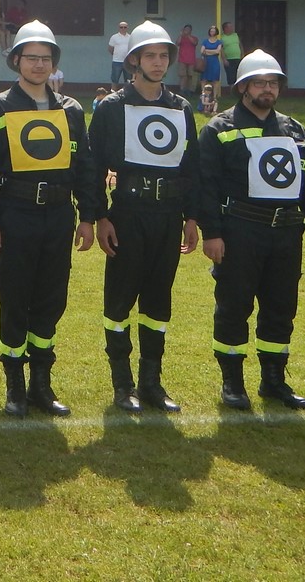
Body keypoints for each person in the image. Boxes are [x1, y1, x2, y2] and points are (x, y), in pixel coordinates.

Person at [0, 21, 100, 418]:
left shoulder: (70, 109)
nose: (39, 65)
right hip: (16, 213)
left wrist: (88, 216)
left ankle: (41, 383)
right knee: (15, 296)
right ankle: (15, 386)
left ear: (53, 63)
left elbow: (85, 165)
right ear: (17, 61)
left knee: (51, 297)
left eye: (45, 58)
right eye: (31, 57)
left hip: (58, 215)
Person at [197, 50, 305, 410]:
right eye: (259, 83)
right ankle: (232, 382)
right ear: (243, 87)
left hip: (286, 234)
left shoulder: (295, 130)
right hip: (239, 232)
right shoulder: (219, 129)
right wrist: (212, 233)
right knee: (234, 306)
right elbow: (206, 186)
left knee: (280, 307)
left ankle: (273, 380)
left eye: (273, 83)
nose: (267, 89)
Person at [87, 22, 200, 414]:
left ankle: (152, 383)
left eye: (164, 55)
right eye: (150, 55)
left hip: (168, 215)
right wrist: (100, 216)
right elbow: (93, 167)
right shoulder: (111, 107)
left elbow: (192, 167)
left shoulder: (181, 107)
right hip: (127, 214)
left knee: (158, 301)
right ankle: (123, 385)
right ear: (134, 60)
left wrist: (191, 217)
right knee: (120, 300)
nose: (158, 62)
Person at [199, 26, 224, 105]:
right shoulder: (205, 41)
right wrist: (212, 51)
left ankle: (215, 96)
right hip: (206, 62)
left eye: (213, 31)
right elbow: (202, 51)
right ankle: (203, 95)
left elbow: (218, 51)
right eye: (211, 31)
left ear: (216, 32)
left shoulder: (219, 42)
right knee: (204, 79)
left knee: (215, 79)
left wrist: (207, 51)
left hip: (215, 62)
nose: (212, 32)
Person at [176, 25, 199, 95]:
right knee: (183, 75)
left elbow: (194, 43)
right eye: (185, 29)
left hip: (191, 60)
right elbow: (177, 43)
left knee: (190, 75)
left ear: (191, 30)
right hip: (182, 59)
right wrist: (181, 35)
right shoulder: (181, 38)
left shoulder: (194, 38)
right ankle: (182, 89)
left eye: (188, 29)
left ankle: (189, 90)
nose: (186, 30)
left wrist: (188, 35)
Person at [107, 21, 131, 87]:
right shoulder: (114, 37)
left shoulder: (130, 37)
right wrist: (116, 55)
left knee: (128, 80)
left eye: (125, 27)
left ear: (127, 28)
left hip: (127, 62)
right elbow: (110, 49)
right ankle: (113, 92)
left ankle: (127, 93)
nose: (123, 29)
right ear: (119, 28)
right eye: (121, 27)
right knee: (115, 79)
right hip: (117, 62)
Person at [219, 22, 242, 86]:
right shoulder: (221, 37)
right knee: (230, 75)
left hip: (238, 58)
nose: (232, 28)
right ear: (225, 28)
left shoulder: (235, 35)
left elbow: (240, 45)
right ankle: (232, 89)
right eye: (230, 27)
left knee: (238, 74)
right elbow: (221, 49)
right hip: (229, 59)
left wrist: (242, 54)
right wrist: (224, 59)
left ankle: (238, 89)